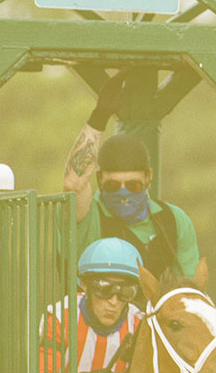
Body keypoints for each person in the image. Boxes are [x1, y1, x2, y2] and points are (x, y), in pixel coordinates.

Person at [64, 75, 199, 279]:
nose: (123, 192)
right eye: (112, 186)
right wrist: (99, 116)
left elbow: (188, 289)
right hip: (91, 309)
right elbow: (73, 183)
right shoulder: (87, 216)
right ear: (100, 179)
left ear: (148, 178)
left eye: (133, 185)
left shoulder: (174, 219)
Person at [39, 237, 143, 373]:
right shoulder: (59, 318)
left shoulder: (139, 323)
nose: (114, 301)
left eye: (125, 291)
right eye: (104, 289)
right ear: (84, 284)